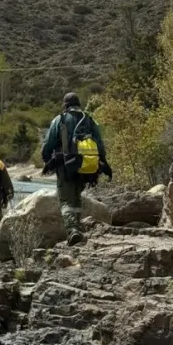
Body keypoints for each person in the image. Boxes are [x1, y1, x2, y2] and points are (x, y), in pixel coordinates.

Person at [41, 92, 112, 246]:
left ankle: (73, 230)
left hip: (65, 167)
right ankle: (77, 229)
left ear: (65, 105)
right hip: (86, 167)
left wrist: (47, 161)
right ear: (78, 104)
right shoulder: (89, 119)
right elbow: (99, 144)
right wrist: (103, 163)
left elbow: (48, 145)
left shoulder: (59, 119)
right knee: (77, 198)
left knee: (66, 201)